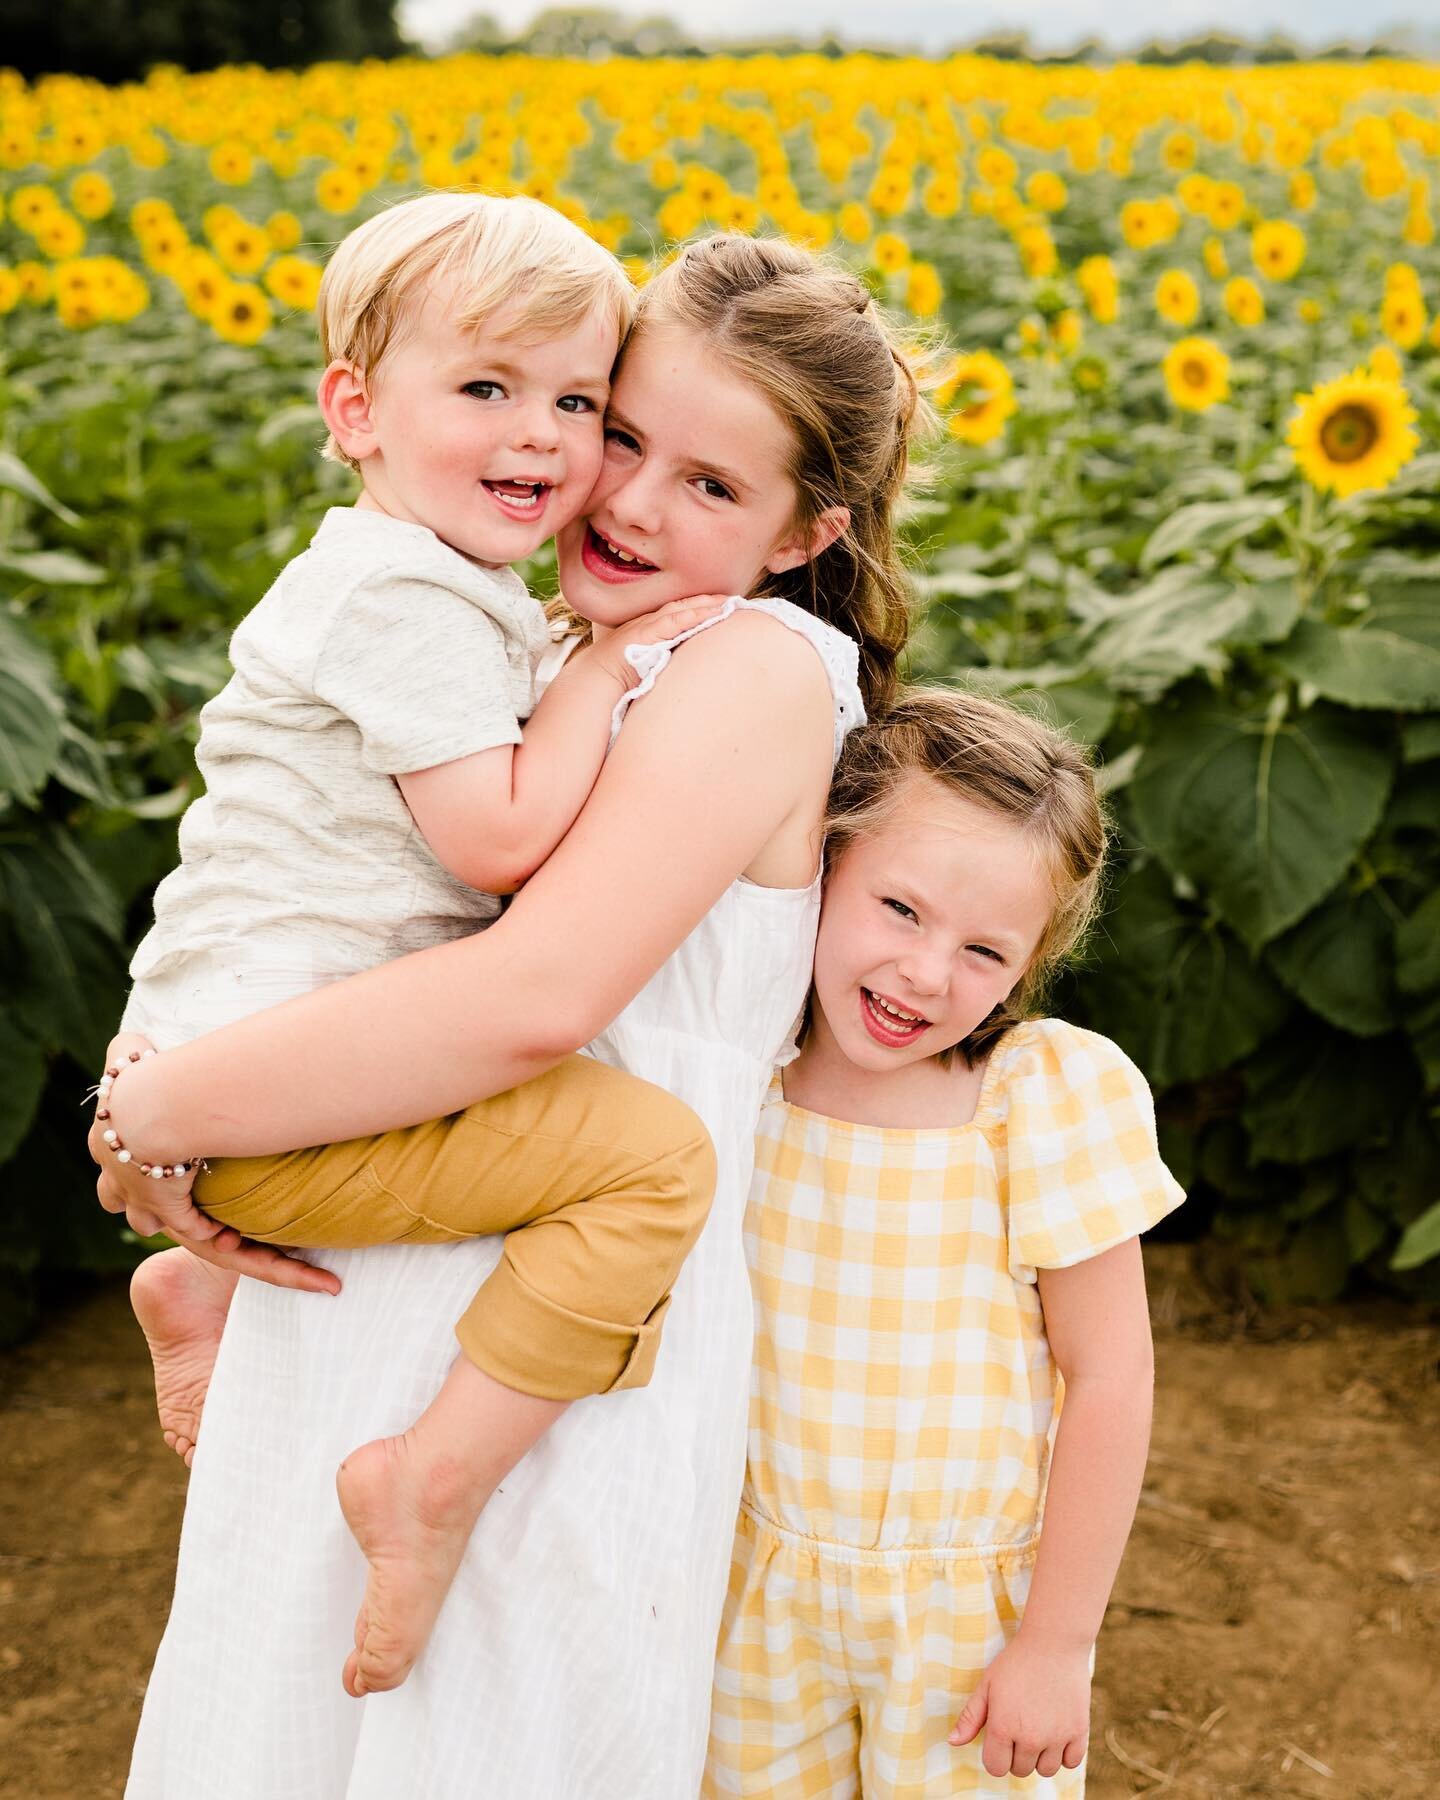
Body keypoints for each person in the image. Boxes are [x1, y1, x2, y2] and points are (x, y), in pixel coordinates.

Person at [94, 232, 938, 1799]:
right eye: (621, 432)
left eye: (710, 486)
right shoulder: (552, 635)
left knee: (479, 1737)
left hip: (541, 1352)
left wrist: (160, 1108)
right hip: (400, 1253)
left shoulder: (745, 663)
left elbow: (531, 997)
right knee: (292, 1724)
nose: (621, 497)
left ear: (801, 534)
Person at [109, 188, 736, 1696]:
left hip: (254, 1036)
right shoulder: (400, 596)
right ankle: (429, 1480)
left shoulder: (433, 580)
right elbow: (501, 842)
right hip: (282, 1068)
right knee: (653, 1165)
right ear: (355, 411)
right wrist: (609, 663)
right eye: (486, 388)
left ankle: (196, 1288)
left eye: (577, 399)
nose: (542, 437)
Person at [705, 687, 1186, 1798]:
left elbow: (1110, 1375)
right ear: (823, 862)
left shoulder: (1042, 1097)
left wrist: (1058, 1643)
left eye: (985, 950)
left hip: (967, 1616)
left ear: (1035, 961)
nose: (927, 974)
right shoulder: (741, 1064)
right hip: (752, 1583)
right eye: (901, 909)